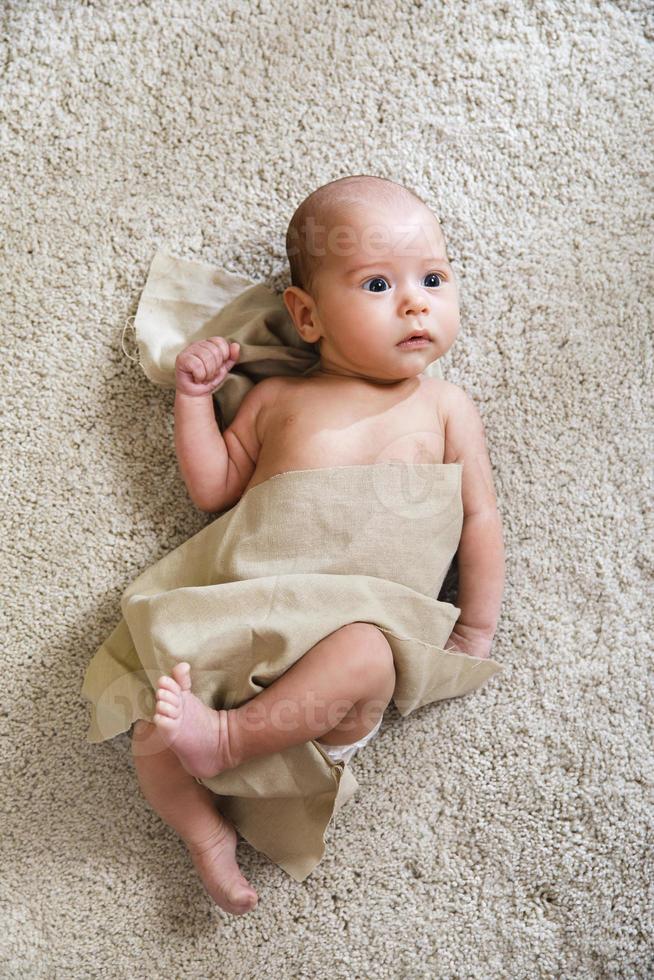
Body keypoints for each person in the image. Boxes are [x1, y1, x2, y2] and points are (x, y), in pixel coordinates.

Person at [130, 174, 505, 916]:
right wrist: (194, 400)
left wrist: (475, 626)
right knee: (150, 721)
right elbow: (214, 489)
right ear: (305, 315)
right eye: (376, 283)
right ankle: (206, 836)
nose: (415, 301)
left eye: (434, 277)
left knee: (367, 651)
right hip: (247, 625)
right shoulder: (278, 400)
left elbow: (480, 518)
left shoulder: (445, 407)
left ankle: (232, 741)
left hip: (341, 666)